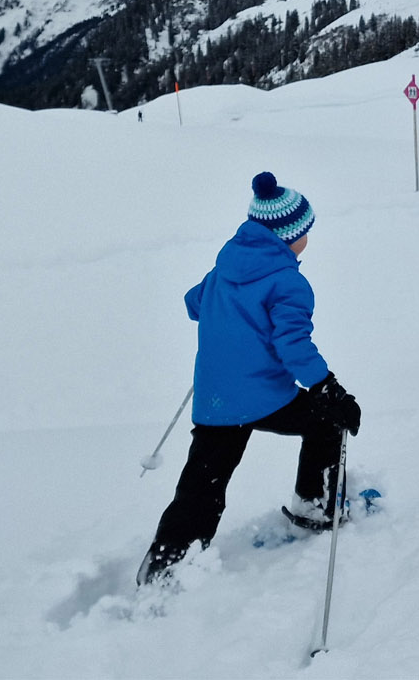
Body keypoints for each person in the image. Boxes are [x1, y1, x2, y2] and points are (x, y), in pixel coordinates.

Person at [137, 172, 362, 586]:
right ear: (287, 236)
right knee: (327, 420)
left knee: (202, 486)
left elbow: (194, 303)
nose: (307, 239)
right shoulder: (288, 282)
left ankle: (166, 565)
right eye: (304, 233)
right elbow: (293, 344)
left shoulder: (226, 265)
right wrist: (327, 387)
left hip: (215, 399)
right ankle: (315, 507)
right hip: (264, 397)